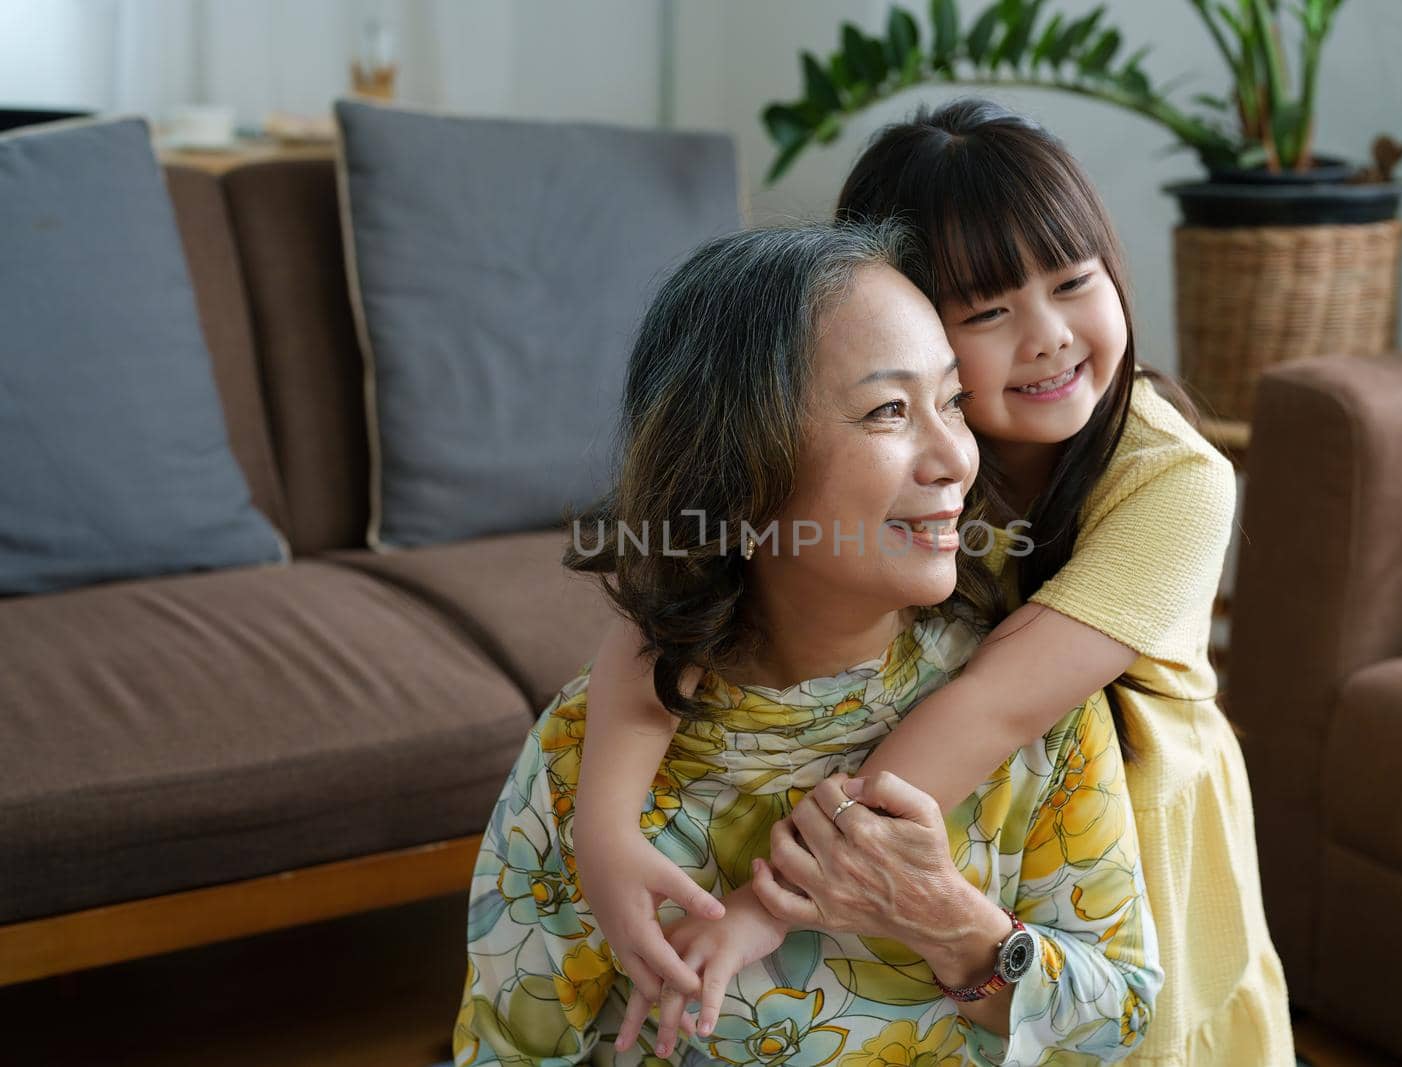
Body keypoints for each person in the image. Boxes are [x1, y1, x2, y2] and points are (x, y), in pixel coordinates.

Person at [573, 100, 1294, 1066]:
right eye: (988, 311)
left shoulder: (1177, 481)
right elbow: (679, 589)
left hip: (1116, 817)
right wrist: (601, 823)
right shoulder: (889, 450)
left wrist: (758, 906)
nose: (1047, 337)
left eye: (1075, 282)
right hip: (928, 805)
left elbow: (996, 705)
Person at [454, 221, 1160, 1066]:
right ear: (740, 470)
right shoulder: (591, 753)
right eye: (889, 410)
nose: (954, 459)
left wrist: (953, 926)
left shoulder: (1038, 713)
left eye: (952, 402)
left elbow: (1123, 1030)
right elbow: (509, 1048)